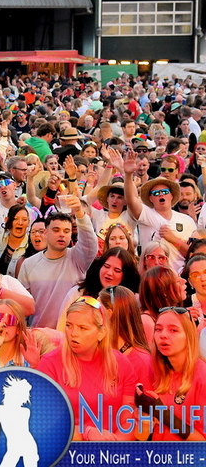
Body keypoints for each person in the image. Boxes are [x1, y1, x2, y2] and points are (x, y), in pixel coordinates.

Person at [37, 297, 137, 440]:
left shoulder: (121, 363)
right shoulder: (49, 364)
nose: (73, 333)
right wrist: (86, 433)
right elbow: (45, 422)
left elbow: (128, 420)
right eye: (69, 325)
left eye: (82, 328)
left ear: (101, 333)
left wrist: (114, 446)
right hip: (68, 449)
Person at [18, 195, 98, 329]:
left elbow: (90, 243)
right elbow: (22, 305)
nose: (62, 234)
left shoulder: (78, 258)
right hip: (39, 334)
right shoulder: (28, 264)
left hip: (71, 334)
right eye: (56, 230)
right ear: (45, 232)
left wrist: (79, 213)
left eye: (66, 231)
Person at [121, 150, 195, 273]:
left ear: (172, 195)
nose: (161, 195)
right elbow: (131, 200)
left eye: (165, 192)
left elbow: (193, 254)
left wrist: (173, 239)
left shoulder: (187, 221)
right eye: (156, 193)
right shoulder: (146, 214)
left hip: (178, 277)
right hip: (151, 275)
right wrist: (128, 175)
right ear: (150, 198)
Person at [138, 306, 206, 440]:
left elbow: (202, 444)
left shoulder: (202, 376)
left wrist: (164, 415)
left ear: (189, 336)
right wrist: (144, 418)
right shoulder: (154, 370)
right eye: (158, 329)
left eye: (173, 330)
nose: (163, 335)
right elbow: (141, 436)